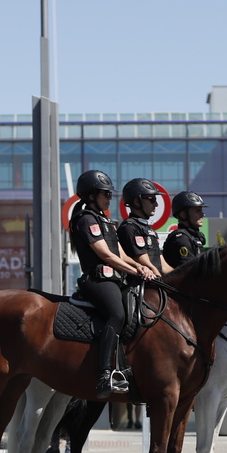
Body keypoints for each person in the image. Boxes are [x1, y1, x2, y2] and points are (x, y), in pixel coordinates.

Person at [70, 170, 158, 399]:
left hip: (115, 278)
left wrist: (141, 267)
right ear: (91, 195)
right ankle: (105, 373)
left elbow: (119, 253)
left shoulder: (106, 221)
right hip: (97, 279)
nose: (110, 198)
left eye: (109, 194)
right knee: (117, 314)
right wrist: (137, 270)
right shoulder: (86, 219)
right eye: (105, 194)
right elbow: (106, 256)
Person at [117, 177, 172, 276]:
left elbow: (163, 266)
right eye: (152, 199)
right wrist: (163, 283)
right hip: (140, 284)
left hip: (156, 281)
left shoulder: (149, 229)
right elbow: (146, 264)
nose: (156, 204)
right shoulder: (129, 227)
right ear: (137, 202)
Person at [162, 190, 209, 269]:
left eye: (201, 210)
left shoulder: (192, 237)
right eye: (198, 211)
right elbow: (189, 272)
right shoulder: (181, 239)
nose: (203, 214)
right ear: (183, 215)